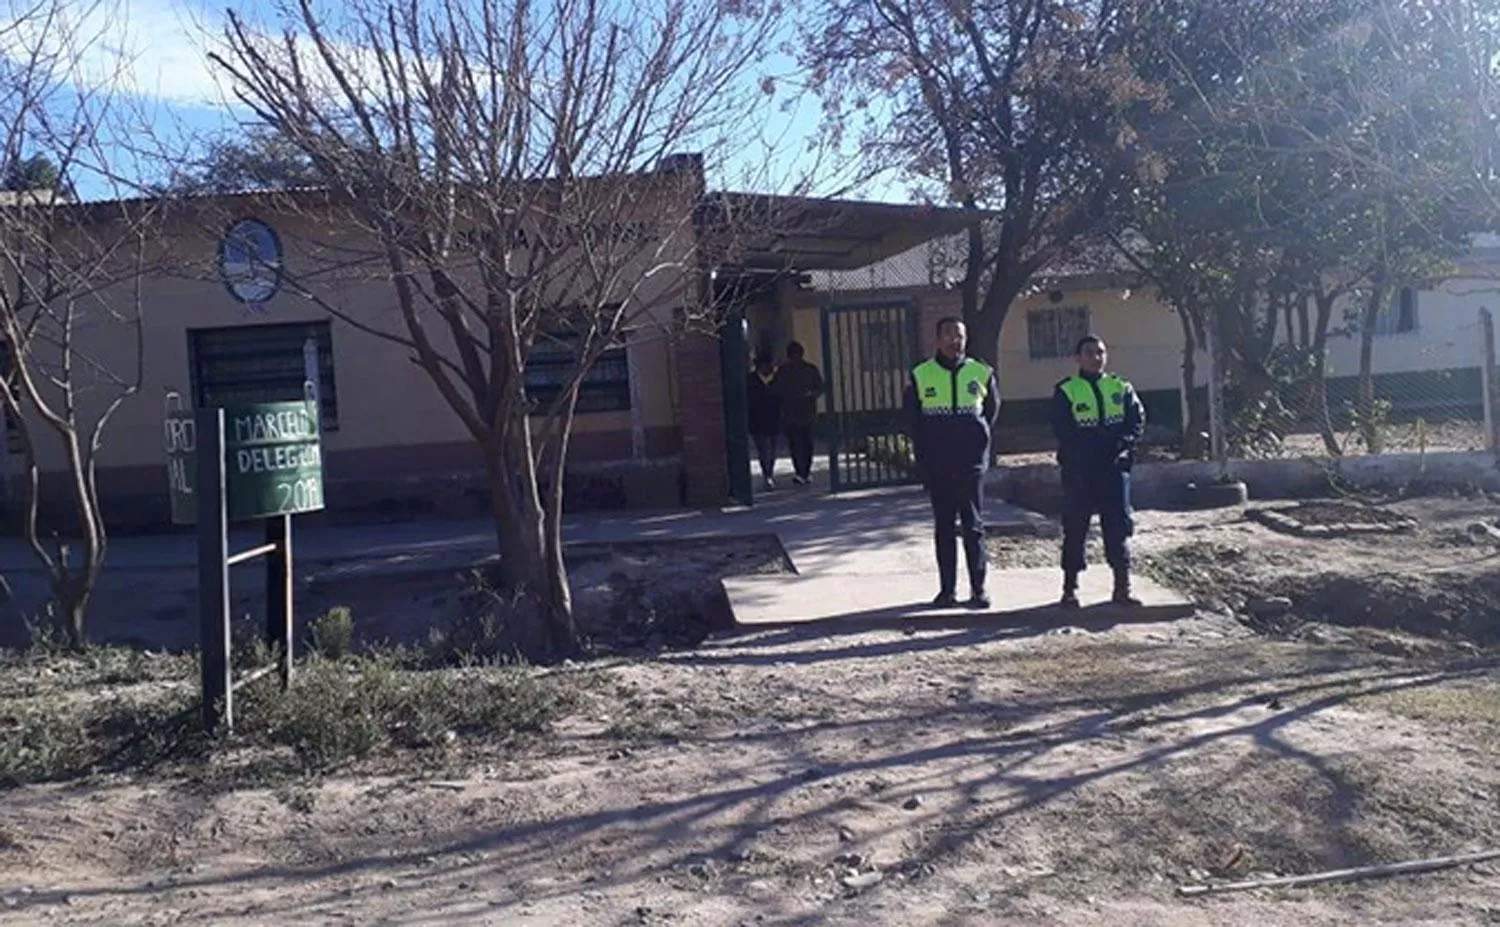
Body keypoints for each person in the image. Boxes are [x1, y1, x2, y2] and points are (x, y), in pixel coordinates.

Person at [906, 316, 1000, 609]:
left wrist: (977, 440)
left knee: (973, 526)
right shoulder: (921, 374)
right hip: (938, 464)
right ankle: (947, 591)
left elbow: (992, 411)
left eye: (959, 335)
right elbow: (912, 419)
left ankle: (978, 589)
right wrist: (925, 455)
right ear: (936, 340)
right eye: (947, 335)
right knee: (944, 527)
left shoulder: (981, 372)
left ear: (966, 339)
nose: (954, 341)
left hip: (970, 463)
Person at [1050, 334, 1146, 609]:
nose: (1096, 357)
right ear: (1077, 358)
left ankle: (1122, 587)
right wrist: (1086, 452)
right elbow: (1063, 429)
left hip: (1114, 471)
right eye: (1090, 353)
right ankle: (1070, 589)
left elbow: (1136, 422)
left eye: (1101, 352)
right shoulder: (1067, 390)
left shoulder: (1121, 387)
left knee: (1118, 527)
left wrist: (1123, 446)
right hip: (1080, 472)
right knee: (1075, 528)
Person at [775, 341, 823, 485]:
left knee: (806, 443)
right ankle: (800, 472)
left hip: (805, 411)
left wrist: (811, 394)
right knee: (796, 443)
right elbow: (777, 389)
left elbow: (820, 387)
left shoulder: (809, 370)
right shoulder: (784, 371)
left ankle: (805, 472)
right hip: (792, 412)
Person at [746, 352, 782, 490]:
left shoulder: (777, 380)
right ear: (760, 366)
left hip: (774, 420)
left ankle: (769, 472)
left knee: (772, 450)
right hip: (757, 421)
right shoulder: (750, 381)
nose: (770, 368)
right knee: (763, 449)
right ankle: (767, 474)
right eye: (768, 365)